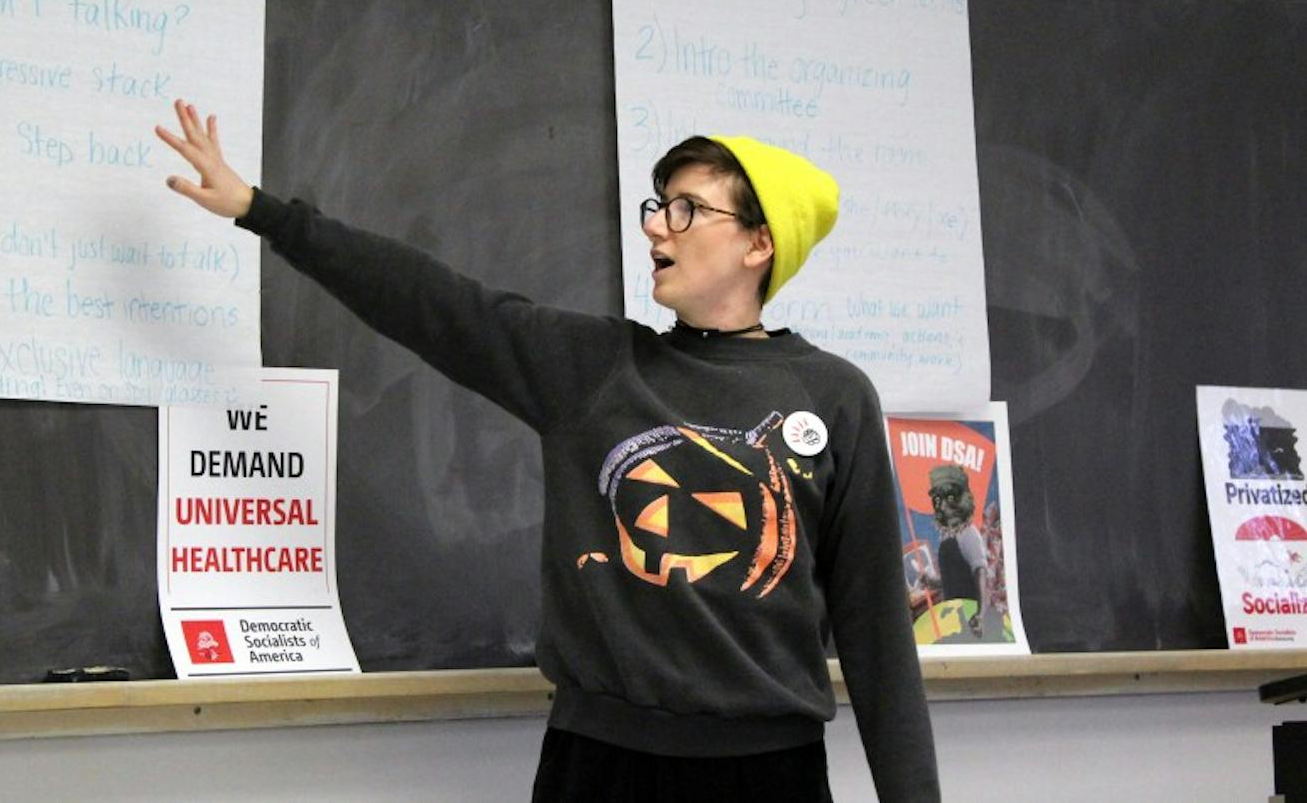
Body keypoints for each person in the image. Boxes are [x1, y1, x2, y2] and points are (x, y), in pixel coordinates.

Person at [156, 99, 938, 802]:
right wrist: (265, 213)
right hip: (598, 765)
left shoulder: (834, 397)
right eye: (658, 206)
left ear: (758, 243)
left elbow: (877, 635)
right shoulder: (595, 369)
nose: (656, 226)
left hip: (768, 773)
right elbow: (436, 304)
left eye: (687, 209)